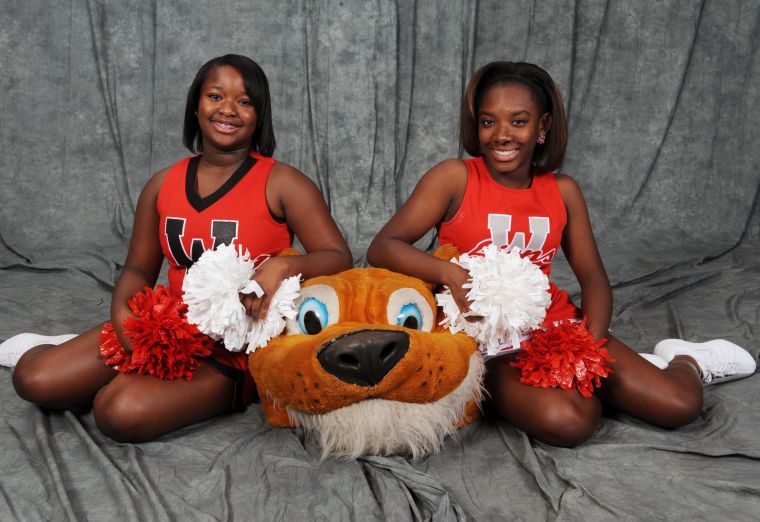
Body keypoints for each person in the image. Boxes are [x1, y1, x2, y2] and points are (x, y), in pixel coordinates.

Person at [367, 61, 756, 447]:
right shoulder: (454, 177)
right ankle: (563, 392)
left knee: (679, 405)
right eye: (489, 122)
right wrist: (449, 275)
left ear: (543, 128)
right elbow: (383, 247)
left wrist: (590, 344)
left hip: (557, 330)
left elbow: (593, 279)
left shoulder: (563, 190)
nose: (502, 135)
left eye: (518, 122)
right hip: (488, 342)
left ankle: (686, 359)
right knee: (569, 421)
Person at [1, 54, 352, 442]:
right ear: (196, 105)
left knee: (118, 412)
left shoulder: (284, 182)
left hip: (230, 347)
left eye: (245, 101)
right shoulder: (162, 183)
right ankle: (67, 350)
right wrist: (124, 321)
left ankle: (155, 384)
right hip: (162, 326)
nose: (228, 110)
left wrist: (282, 268)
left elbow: (338, 256)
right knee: (35, 380)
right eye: (216, 96)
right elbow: (137, 270)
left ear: (259, 115)